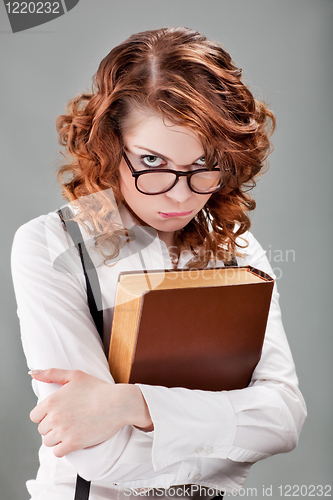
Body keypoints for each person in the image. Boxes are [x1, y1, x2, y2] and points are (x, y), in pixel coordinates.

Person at [11, 27, 307, 500]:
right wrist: (227, 438)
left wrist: (133, 403)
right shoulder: (53, 243)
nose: (179, 193)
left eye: (204, 165)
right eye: (152, 160)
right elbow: (99, 456)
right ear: (110, 145)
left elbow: (284, 419)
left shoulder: (238, 248)